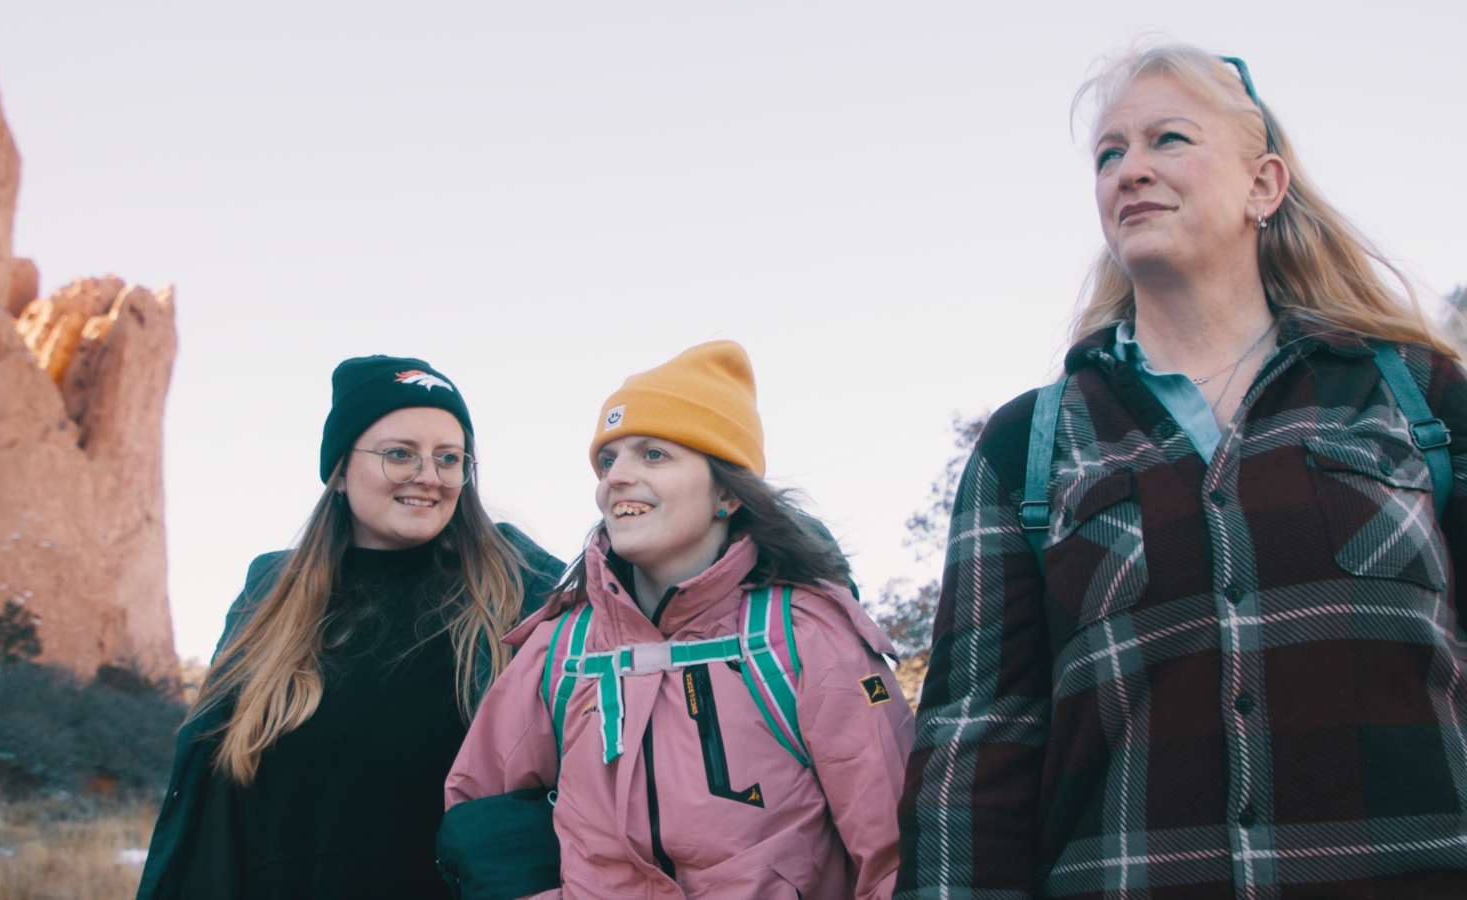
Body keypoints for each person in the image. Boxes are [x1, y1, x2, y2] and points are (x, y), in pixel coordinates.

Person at [897, 43, 1467, 899]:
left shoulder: (1418, 396)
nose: (1130, 171)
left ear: (1262, 186)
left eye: (1168, 139)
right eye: (1108, 154)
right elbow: (975, 748)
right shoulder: (1026, 446)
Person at [444, 341, 914, 899]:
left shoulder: (806, 636)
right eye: (609, 459)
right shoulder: (560, 648)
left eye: (653, 455)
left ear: (726, 493)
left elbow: (897, 854)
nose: (615, 477)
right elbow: (484, 830)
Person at [136, 356, 564, 900]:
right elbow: (212, 806)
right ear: (339, 471)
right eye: (399, 454)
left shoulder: (524, 595)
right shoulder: (267, 599)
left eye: (449, 458)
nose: (429, 477)